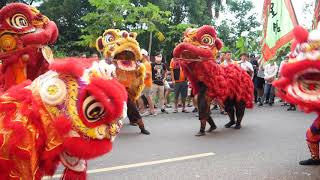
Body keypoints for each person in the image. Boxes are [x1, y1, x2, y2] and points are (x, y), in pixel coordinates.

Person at [139, 49, 156, 116]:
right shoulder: (144, 63)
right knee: (148, 96)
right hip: (146, 83)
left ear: (143, 55)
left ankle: (143, 111)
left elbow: (148, 75)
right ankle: (152, 111)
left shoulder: (146, 64)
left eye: (140, 55)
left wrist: (140, 79)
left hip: (146, 83)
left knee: (139, 96)